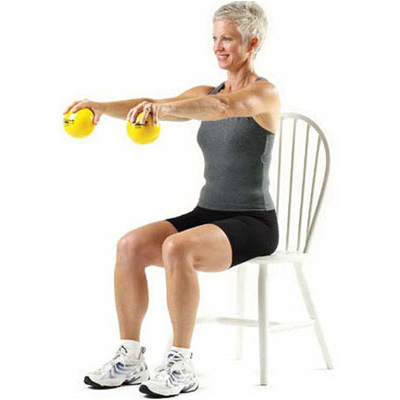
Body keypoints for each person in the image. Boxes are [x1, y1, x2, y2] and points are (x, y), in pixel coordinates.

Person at [63, 1, 279, 397]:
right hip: (208, 213)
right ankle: (130, 357)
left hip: (254, 223)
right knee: (130, 245)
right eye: (215, 38)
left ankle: (181, 363)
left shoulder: (263, 94)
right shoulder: (203, 93)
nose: (218, 47)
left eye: (228, 39)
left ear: (252, 43)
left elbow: (223, 108)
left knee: (177, 247)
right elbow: (168, 104)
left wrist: (163, 108)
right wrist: (102, 108)